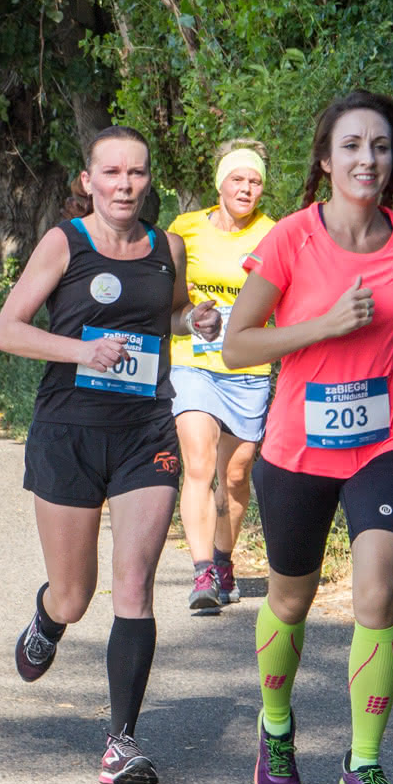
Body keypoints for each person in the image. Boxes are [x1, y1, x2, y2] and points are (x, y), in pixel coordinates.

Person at [222, 91, 393, 784]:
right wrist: (321, 325)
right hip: (297, 446)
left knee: (377, 595)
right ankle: (277, 727)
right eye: (352, 146)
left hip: (387, 437)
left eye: (380, 146)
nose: (367, 160)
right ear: (326, 159)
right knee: (291, 598)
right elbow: (237, 344)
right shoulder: (291, 239)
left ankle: (365, 761)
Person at [0, 126, 221, 784]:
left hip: (144, 431)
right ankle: (48, 616)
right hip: (69, 430)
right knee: (76, 594)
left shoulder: (165, 247)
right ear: (87, 181)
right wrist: (81, 351)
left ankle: (122, 740)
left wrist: (195, 321)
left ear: (148, 181)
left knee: (135, 584)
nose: (125, 184)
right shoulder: (66, 242)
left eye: (136, 173)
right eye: (111, 173)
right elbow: (8, 330)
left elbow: (170, 315)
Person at [167, 139, 278, 611]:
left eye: (254, 182)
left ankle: (224, 560)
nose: (246, 188)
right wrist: (192, 316)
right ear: (221, 183)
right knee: (197, 463)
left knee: (235, 476)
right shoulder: (185, 229)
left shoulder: (277, 234)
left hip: (248, 369)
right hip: (193, 361)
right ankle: (202, 573)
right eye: (238, 179)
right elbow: (167, 302)